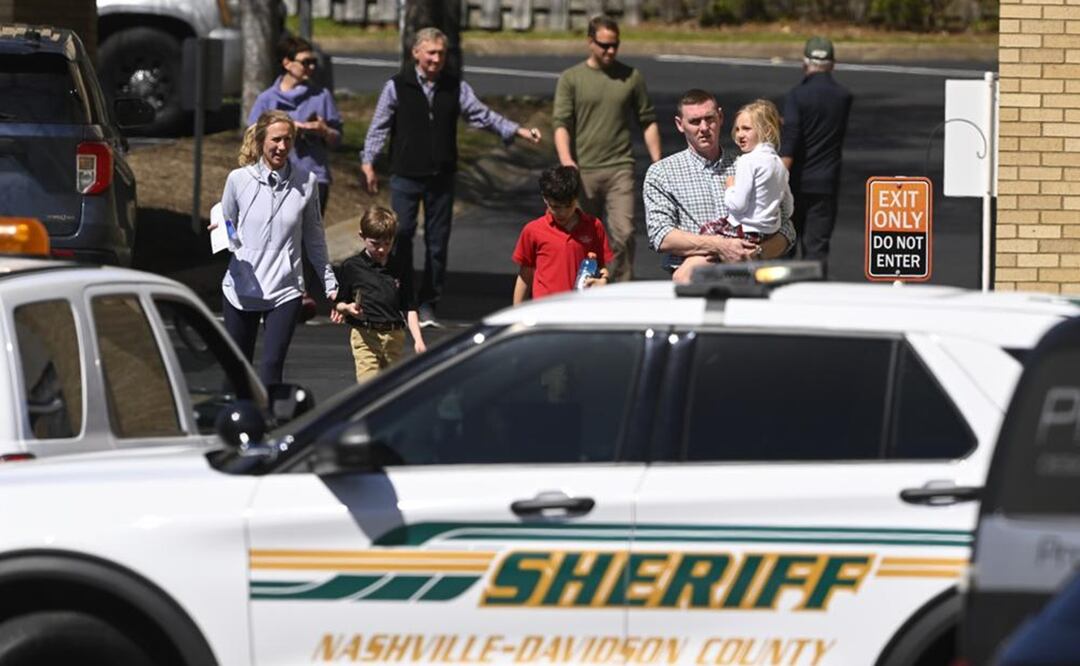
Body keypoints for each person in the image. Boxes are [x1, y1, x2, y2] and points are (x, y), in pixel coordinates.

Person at [360, 27, 542, 328]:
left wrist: (517, 130)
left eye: (441, 54)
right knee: (401, 236)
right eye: (431, 53)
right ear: (416, 53)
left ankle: (428, 303)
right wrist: (368, 161)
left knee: (437, 243)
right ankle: (402, 299)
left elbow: (481, 115)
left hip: (441, 176)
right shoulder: (396, 86)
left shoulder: (454, 87)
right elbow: (379, 126)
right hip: (406, 174)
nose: (436, 59)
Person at [218, 110, 338, 386]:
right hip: (242, 288)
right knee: (236, 371)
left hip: (285, 289)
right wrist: (225, 234)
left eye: (288, 140)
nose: (282, 147)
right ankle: (235, 413)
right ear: (261, 140)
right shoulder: (238, 180)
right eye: (276, 140)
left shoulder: (307, 182)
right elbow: (227, 225)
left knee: (272, 367)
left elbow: (314, 237)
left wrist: (329, 282)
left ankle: (269, 413)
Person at [643, 89, 796, 283]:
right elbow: (662, 236)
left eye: (710, 119)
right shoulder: (662, 173)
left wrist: (754, 253)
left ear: (721, 117)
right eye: (695, 121)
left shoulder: (750, 165)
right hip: (695, 282)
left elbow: (787, 228)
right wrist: (720, 246)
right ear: (680, 124)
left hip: (750, 278)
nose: (704, 128)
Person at [552, 15, 661, 283]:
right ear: (590, 42)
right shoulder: (571, 78)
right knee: (583, 237)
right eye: (604, 45)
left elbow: (647, 121)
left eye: (615, 45)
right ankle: (582, 287)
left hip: (620, 168)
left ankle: (618, 289)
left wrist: (658, 163)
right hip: (583, 171)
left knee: (624, 233)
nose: (610, 51)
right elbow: (561, 124)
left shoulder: (631, 77)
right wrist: (567, 161)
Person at [248, 35, 342, 316]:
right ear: (287, 63)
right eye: (306, 62)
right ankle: (274, 291)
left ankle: (302, 295)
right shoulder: (267, 99)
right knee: (276, 235)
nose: (311, 67)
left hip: (313, 176)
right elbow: (252, 135)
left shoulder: (321, 96)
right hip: (276, 177)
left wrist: (323, 130)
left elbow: (338, 138)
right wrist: (289, 130)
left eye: (314, 62)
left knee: (307, 236)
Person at [780, 36, 853, 272]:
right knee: (817, 250)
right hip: (825, 182)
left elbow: (791, 140)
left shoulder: (797, 95)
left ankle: (780, 293)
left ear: (805, 63)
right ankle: (815, 290)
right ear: (832, 64)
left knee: (784, 247)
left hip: (795, 184)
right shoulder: (843, 97)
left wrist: (776, 180)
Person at [331, 206, 426, 383]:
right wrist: (347, 308)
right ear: (362, 236)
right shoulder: (352, 267)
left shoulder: (400, 266)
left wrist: (418, 340)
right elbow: (339, 302)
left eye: (387, 243)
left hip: (394, 336)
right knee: (368, 383)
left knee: (391, 386)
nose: (381, 249)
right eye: (375, 244)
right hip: (365, 335)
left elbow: (409, 306)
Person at [512, 165, 612, 304]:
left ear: (576, 198)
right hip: (545, 308)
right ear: (545, 199)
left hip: (580, 306)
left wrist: (603, 280)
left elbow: (601, 265)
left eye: (569, 206)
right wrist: (517, 311)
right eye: (556, 207)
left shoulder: (594, 226)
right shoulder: (533, 230)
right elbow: (525, 276)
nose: (563, 213)